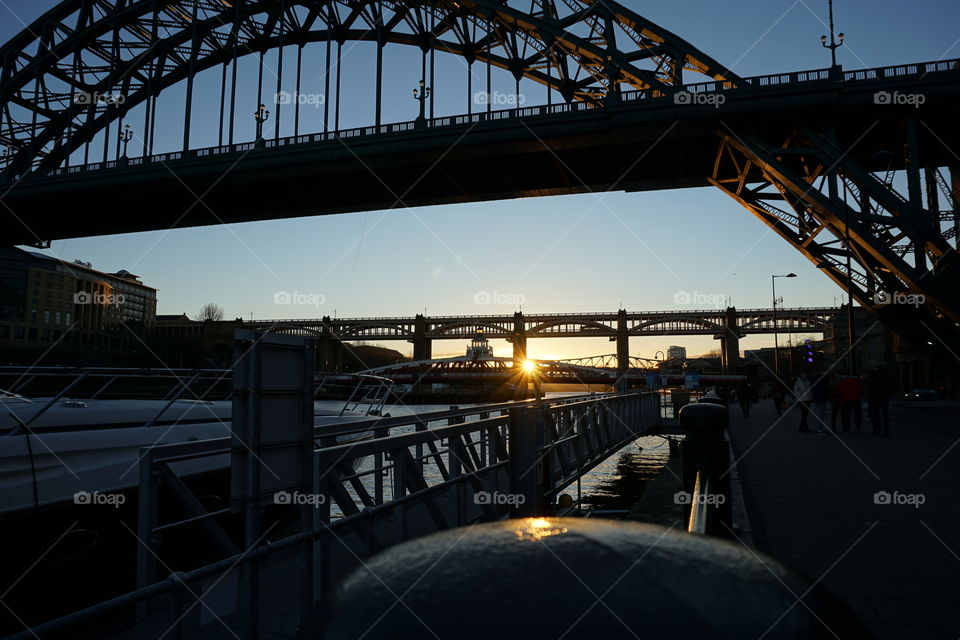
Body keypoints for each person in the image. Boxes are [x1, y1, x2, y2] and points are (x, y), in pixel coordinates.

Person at [864, 364, 893, 436]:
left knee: (873, 414)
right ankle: (886, 431)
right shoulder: (888, 375)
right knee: (885, 415)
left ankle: (876, 429)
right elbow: (893, 385)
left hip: (874, 397)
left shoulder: (872, 376)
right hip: (885, 397)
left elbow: (868, 386)